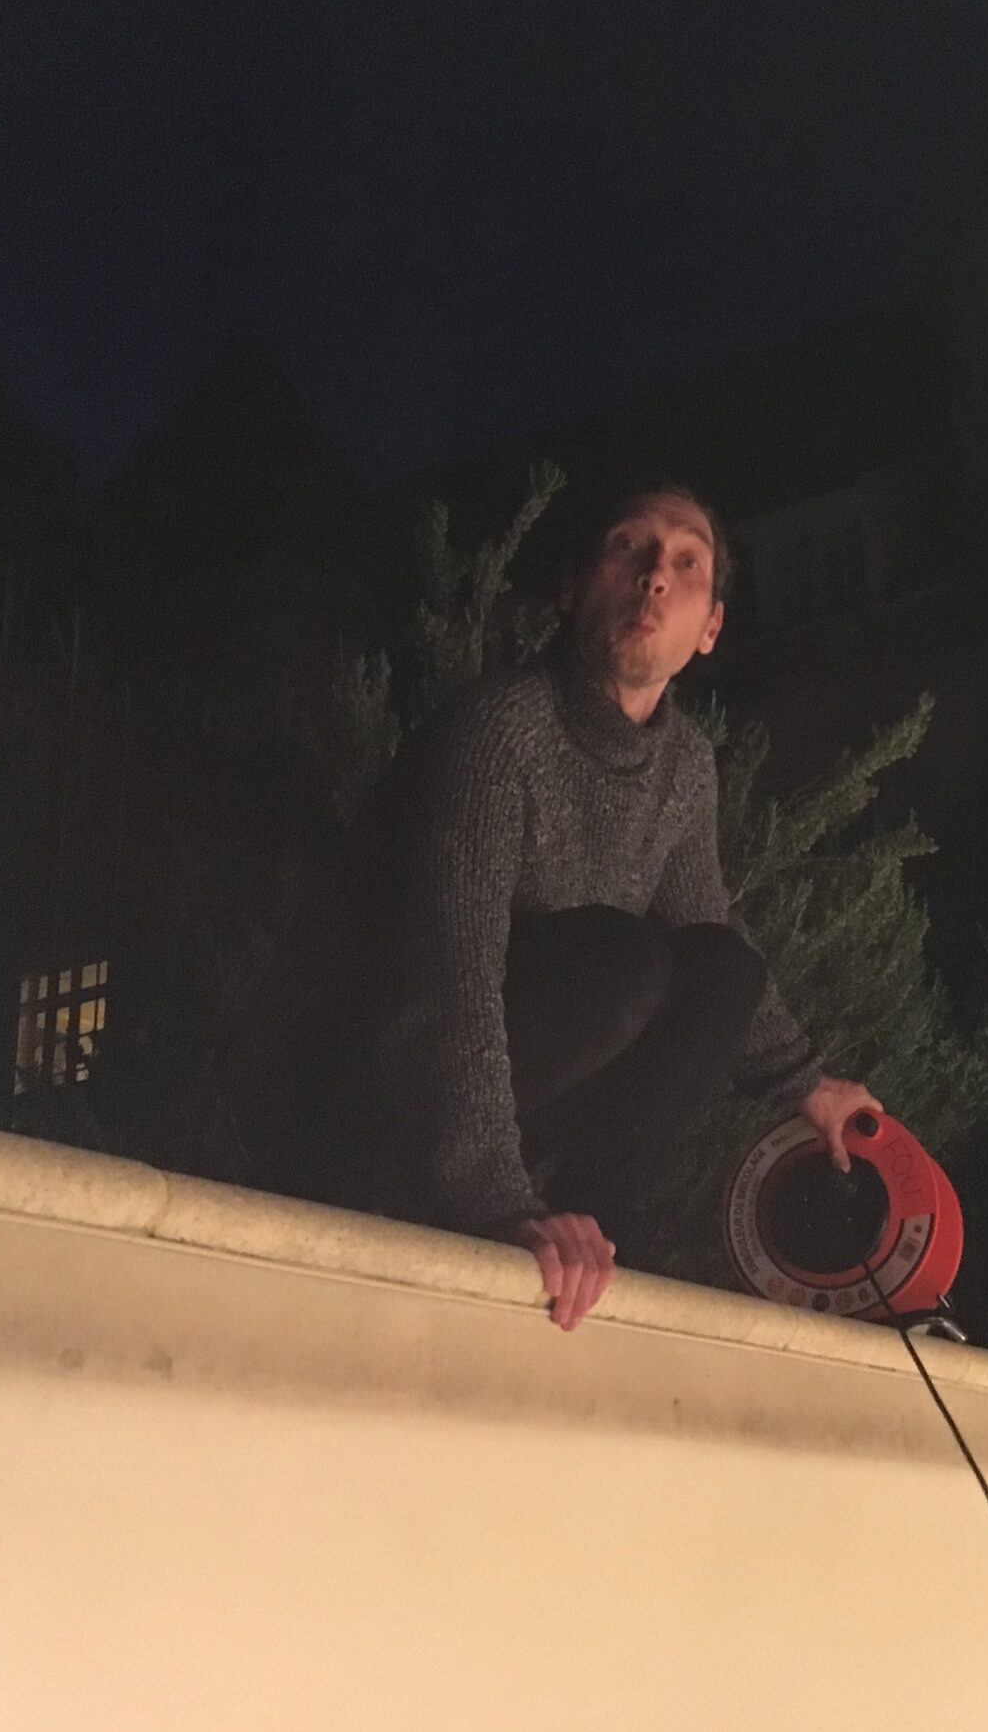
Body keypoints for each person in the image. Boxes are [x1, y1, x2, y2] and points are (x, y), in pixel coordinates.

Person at [367, 482, 883, 1330]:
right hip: (392, 1096)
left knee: (721, 968)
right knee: (625, 962)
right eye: (628, 548)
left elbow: (707, 923)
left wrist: (806, 1084)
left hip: (526, 1089)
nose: (655, 577)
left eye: (686, 563)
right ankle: (514, 1211)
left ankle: (599, 1243)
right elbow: (449, 980)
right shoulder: (500, 731)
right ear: (572, 588)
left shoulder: (682, 764)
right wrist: (497, 1202)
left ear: (709, 627)